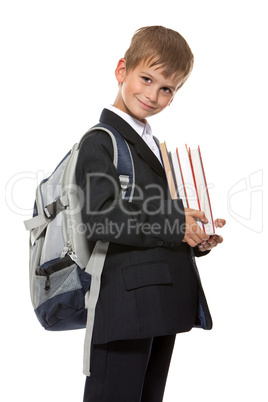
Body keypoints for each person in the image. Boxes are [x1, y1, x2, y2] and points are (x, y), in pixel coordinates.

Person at [75, 25, 226, 402]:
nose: (153, 94)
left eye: (166, 89)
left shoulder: (151, 143)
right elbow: (100, 218)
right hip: (125, 306)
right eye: (146, 78)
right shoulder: (101, 140)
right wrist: (175, 223)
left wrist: (193, 235)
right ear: (121, 70)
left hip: (159, 302)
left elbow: (154, 218)